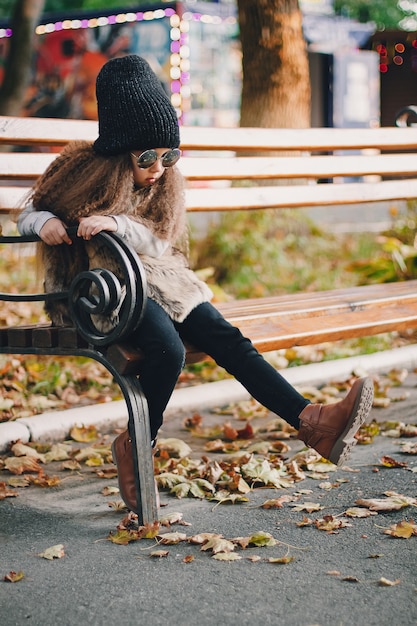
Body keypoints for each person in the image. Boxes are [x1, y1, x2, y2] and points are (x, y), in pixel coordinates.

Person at [17, 55, 374, 515]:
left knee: (226, 336)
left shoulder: (164, 181)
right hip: (102, 291)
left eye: (169, 155)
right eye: (147, 157)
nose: (160, 167)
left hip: (163, 282)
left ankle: (312, 421)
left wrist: (116, 222)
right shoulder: (80, 170)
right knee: (169, 350)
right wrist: (44, 221)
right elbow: (28, 212)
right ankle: (137, 443)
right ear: (118, 148)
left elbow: (160, 243)